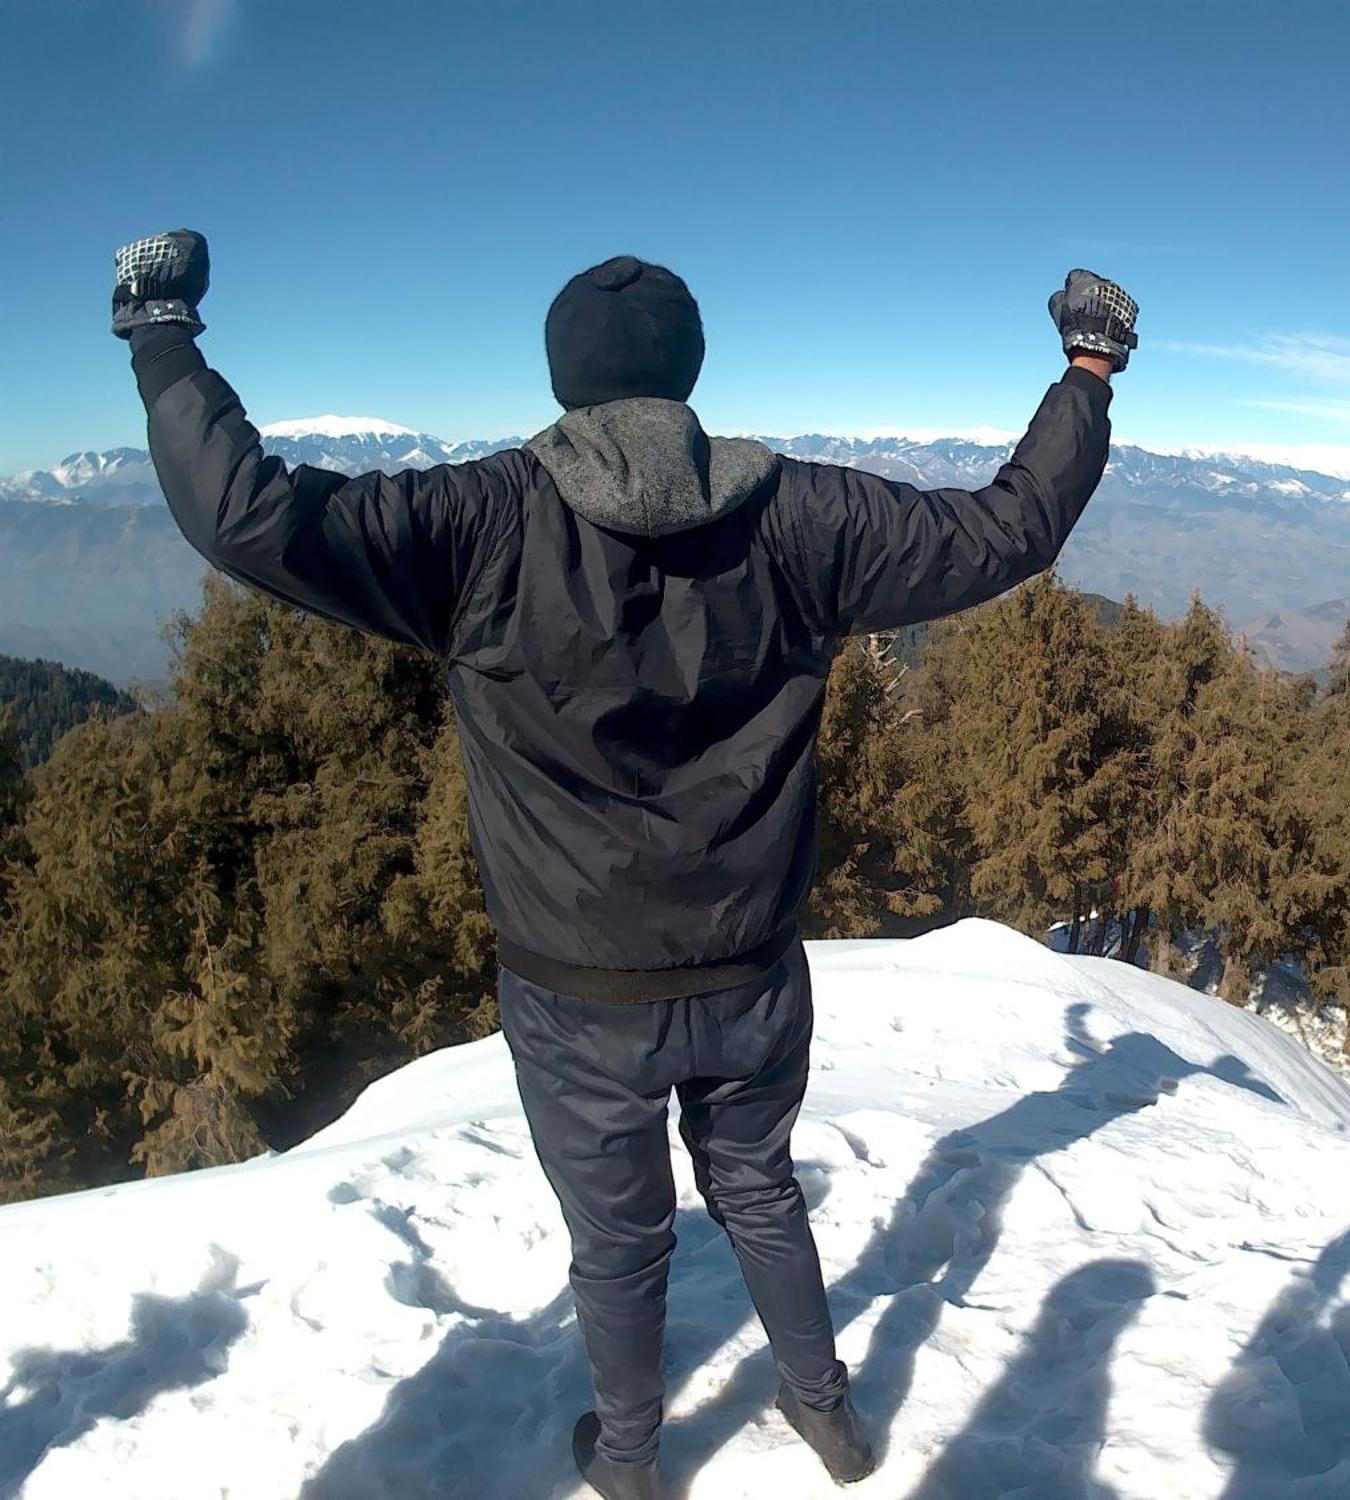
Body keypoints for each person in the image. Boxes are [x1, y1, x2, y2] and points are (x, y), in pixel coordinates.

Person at [112, 229, 1134, 1498]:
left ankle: (635, 1459)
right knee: (760, 1191)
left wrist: (161, 328)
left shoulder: (473, 520)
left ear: (561, 376)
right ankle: (827, 1415)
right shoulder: (803, 515)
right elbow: (1006, 532)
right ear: (689, 367)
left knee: (618, 1241)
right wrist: (1087, 370)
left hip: (573, 985)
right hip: (752, 967)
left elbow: (246, 511)